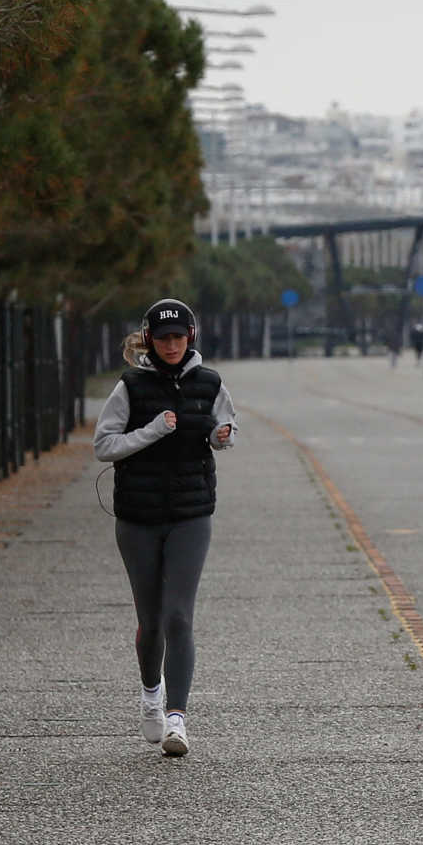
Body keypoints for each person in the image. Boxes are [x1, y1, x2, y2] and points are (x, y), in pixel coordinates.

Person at [93, 298, 236, 758]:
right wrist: (153, 430)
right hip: (137, 518)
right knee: (151, 622)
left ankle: (177, 718)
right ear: (149, 339)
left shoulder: (210, 381)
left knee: (179, 616)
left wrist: (221, 436)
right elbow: (104, 446)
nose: (171, 345)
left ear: (190, 337)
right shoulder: (130, 386)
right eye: (163, 337)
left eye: (178, 337)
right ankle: (151, 694)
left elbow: (224, 425)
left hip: (192, 514)